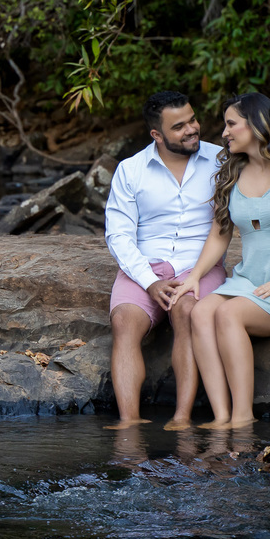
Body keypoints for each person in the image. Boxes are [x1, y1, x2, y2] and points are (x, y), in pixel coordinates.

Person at [169, 92, 270, 429]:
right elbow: (220, 234)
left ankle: (243, 418)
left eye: (231, 124)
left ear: (256, 124)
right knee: (200, 312)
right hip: (249, 279)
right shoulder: (232, 173)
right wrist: (196, 276)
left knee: (228, 313)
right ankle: (221, 416)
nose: (224, 133)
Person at [103, 91, 227, 429]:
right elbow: (118, 235)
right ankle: (129, 423)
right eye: (179, 126)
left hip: (199, 264)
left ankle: (181, 418)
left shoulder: (221, 160)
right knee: (124, 322)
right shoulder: (131, 170)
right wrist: (150, 281)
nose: (192, 129)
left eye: (192, 119)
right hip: (146, 265)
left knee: (188, 313)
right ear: (156, 135)